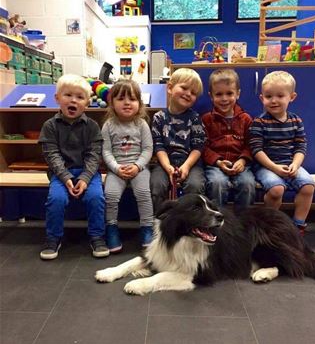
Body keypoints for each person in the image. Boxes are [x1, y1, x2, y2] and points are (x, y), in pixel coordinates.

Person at [39, 74, 109, 260]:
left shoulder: (92, 126)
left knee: (96, 197)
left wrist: (85, 179)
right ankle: (53, 238)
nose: (73, 100)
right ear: (57, 98)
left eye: (79, 97)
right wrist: (66, 178)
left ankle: (97, 236)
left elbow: (94, 156)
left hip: (89, 173)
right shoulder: (50, 126)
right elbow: (51, 155)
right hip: (60, 174)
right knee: (56, 199)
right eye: (68, 95)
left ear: (87, 102)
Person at [249, 70, 315, 235]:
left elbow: (301, 146)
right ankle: (271, 225)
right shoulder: (259, 122)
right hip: (266, 166)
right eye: (269, 96)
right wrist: (274, 167)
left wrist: (295, 164)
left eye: (280, 96)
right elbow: (257, 150)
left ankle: (298, 225)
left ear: (291, 97)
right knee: (276, 189)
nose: (274, 100)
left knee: (308, 186)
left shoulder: (296, 121)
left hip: (291, 164)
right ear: (261, 98)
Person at [102, 79, 154, 251]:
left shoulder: (141, 124)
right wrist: (116, 168)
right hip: (116, 170)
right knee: (110, 194)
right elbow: (106, 151)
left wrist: (138, 166)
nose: (127, 103)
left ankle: (147, 228)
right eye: (121, 98)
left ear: (139, 103)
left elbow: (147, 149)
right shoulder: (108, 126)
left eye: (132, 99)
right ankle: (111, 228)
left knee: (143, 192)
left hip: (139, 169)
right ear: (112, 103)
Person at [150, 68, 206, 211]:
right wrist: (168, 167)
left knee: (195, 186)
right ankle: (160, 222)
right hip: (164, 164)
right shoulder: (159, 117)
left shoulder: (194, 118)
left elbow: (198, 147)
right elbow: (159, 146)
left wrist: (186, 167)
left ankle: (191, 224)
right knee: (157, 185)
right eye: (184, 88)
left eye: (193, 93)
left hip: (191, 164)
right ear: (170, 87)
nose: (188, 94)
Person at [202, 69, 255, 209]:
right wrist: (218, 162)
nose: (224, 99)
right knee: (217, 184)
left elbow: (251, 145)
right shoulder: (207, 119)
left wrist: (243, 160)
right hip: (216, 165)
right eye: (219, 94)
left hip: (241, 164)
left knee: (247, 184)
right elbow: (203, 147)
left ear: (238, 93)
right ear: (211, 96)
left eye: (229, 93)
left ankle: (243, 223)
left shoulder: (246, 119)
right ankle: (219, 223)